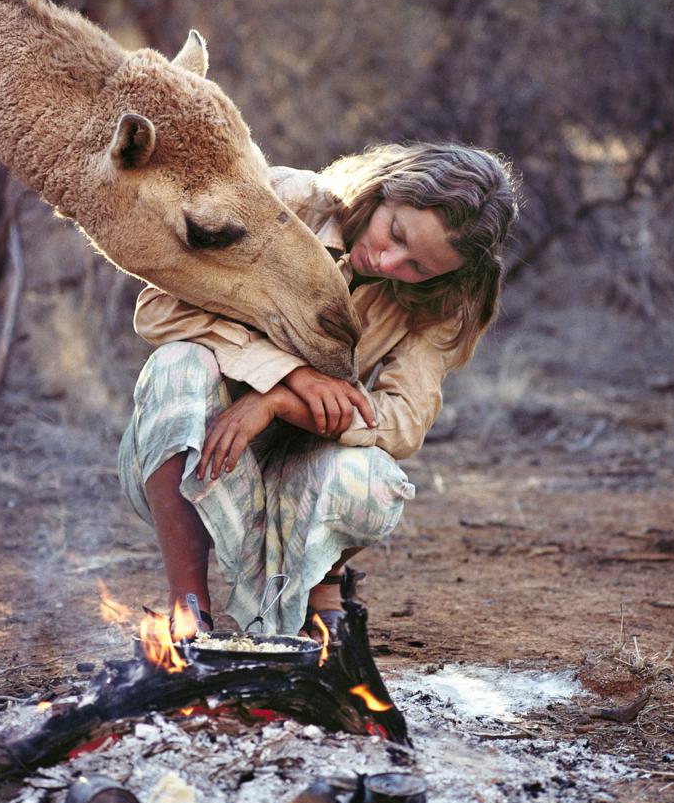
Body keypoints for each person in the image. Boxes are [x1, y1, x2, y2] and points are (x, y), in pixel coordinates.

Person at [118, 142, 518, 638]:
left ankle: (318, 585)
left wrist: (279, 402)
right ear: (383, 188)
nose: (390, 262)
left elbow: (403, 421)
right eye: (395, 233)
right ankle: (187, 609)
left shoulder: (445, 298)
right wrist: (288, 374)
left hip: (299, 466)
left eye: (418, 267)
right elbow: (158, 308)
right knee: (178, 364)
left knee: (375, 480)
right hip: (188, 451)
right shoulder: (286, 201)